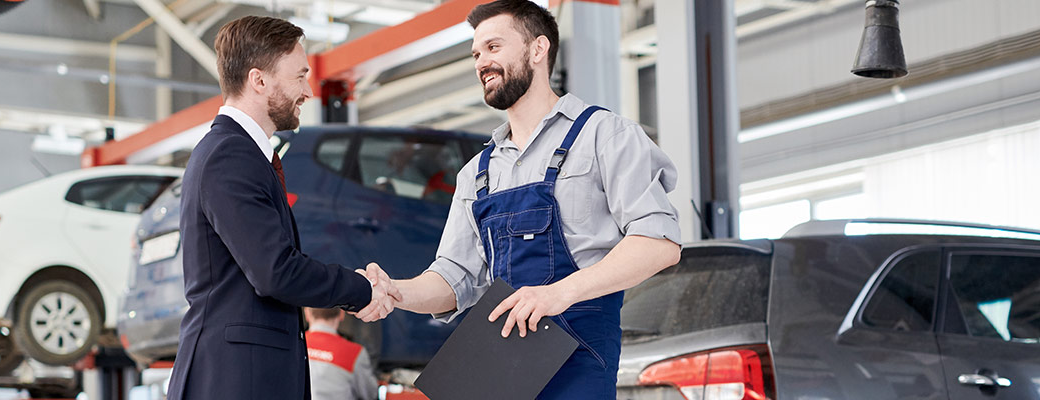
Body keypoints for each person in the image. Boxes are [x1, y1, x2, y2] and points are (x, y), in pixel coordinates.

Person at [358, 1, 683, 398]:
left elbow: (658, 243)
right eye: (476, 54)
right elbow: (453, 276)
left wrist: (557, 293)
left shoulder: (604, 135)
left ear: (538, 49)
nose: (481, 62)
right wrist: (397, 291)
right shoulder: (476, 173)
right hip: (501, 367)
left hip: (577, 361)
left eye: (494, 47)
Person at [167, 16, 398, 400]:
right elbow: (275, 271)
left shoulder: (242, 155)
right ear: (259, 81)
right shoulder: (230, 155)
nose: (307, 91)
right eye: (299, 76)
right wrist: (359, 289)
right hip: (234, 380)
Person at [304, 307, 379, 400]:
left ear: (307, 313)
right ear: (342, 314)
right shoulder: (354, 353)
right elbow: (370, 394)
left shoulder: (295, 346)